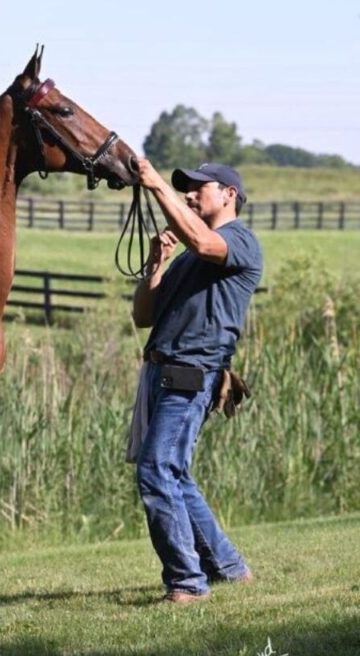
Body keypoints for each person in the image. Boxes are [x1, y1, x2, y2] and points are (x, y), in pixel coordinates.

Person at [129, 159, 263, 603]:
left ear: (228, 194)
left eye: (197, 189)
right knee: (174, 473)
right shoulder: (188, 257)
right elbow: (143, 316)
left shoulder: (238, 241)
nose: (188, 195)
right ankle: (229, 567)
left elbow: (204, 241)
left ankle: (188, 582)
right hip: (164, 371)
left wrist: (153, 185)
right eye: (183, 190)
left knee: (156, 469)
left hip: (192, 373)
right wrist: (156, 263)